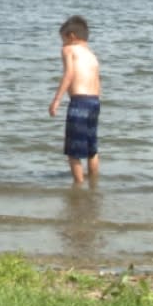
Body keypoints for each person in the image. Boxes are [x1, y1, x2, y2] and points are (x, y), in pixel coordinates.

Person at [49, 15, 101, 187]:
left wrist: (56, 100)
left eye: (62, 39)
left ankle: (78, 187)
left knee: (73, 151)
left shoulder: (69, 50)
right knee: (91, 149)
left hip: (79, 101)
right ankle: (94, 184)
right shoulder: (91, 55)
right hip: (94, 102)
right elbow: (97, 81)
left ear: (71, 36)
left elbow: (69, 75)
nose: (62, 43)